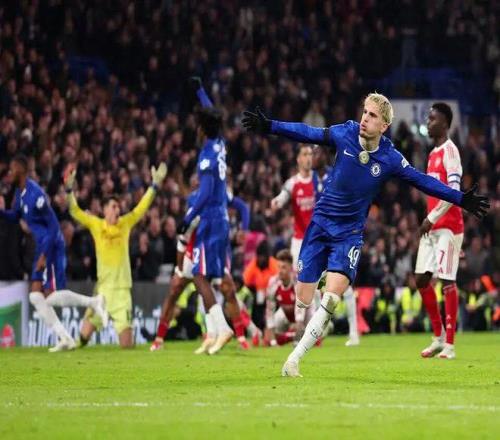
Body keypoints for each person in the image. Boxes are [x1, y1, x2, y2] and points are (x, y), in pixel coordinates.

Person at [242, 93, 489, 377]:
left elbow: (422, 181)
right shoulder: (345, 133)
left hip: (349, 235)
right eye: (365, 112)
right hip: (320, 225)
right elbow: (308, 132)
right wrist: (270, 126)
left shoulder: (390, 157)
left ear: (384, 125)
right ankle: (320, 278)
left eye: (372, 115)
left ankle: (293, 361)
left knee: (331, 299)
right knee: (303, 299)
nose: (365, 119)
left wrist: (460, 198)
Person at [0, 154, 107, 352]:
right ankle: (65, 337)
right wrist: (2, 211)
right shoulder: (19, 193)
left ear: (21, 170)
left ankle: (94, 302)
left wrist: (44, 255)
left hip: (51, 246)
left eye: (12, 169)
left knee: (51, 295)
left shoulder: (37, 195)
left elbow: (53, 227)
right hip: (41, 246)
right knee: (35, 297)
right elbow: (16, 216)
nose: (9, 173)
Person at [64, 162, 167, 348]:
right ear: (104, 210)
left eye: (118, 207)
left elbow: (141, 207)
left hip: (122, 292)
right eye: (113, 207)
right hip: (103, 291)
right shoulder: (96, 225)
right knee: (82, 338)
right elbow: (74, 211)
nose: (117, 210)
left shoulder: (125, 224)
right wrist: (69, 190)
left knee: (127, 346)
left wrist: (154, 186)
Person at [150, 187, 253, 352]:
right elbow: (182, 240)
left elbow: (242, 206)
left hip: (214, 253)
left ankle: (238, 337)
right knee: (175, 289)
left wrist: (244, 229)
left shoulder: (221, 197)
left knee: (227, 289)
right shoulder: (195, 212)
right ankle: (159, 339)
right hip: (192, 254)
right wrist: (180, 268)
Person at [175, 77, 234, 355]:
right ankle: (213, 333)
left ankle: (222, 329)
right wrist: (200, 90)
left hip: (210, 220)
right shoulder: (219, 143)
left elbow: (206, 192)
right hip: (220, 219)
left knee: (198, 276)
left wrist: (187, 218)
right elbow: (212, 114)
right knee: (205, 278)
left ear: (202, 129)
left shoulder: (207, 156)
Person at [415, 103, 465, 359]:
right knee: (421, 280)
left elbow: (454, 192)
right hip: (433, 227)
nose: (428, 122)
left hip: (449, 227)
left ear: (444, 123)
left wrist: (431, 217)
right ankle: (438, 337)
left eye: (432, 118)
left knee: (447, 280)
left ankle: (450, 345)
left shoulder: (450, 151)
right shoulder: (432, 153)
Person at [313, 144, 360, 346]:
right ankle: (323, 327)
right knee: (316, 284)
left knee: (344, 287)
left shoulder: (335, 176)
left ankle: (354, 332)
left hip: (338, 237)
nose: (312, 157)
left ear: (325, 155)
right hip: (319, 237)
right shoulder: (310, 179)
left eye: (316, 153)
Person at [271, 145, 314, 269]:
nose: (308, 158)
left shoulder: (318, 180)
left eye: (310, 154)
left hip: (317, 238)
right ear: (298, 159)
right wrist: (277, 202)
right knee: (297, 274)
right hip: (299, 239)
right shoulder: (292, 183)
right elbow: (282, 196)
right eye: (305, 154)